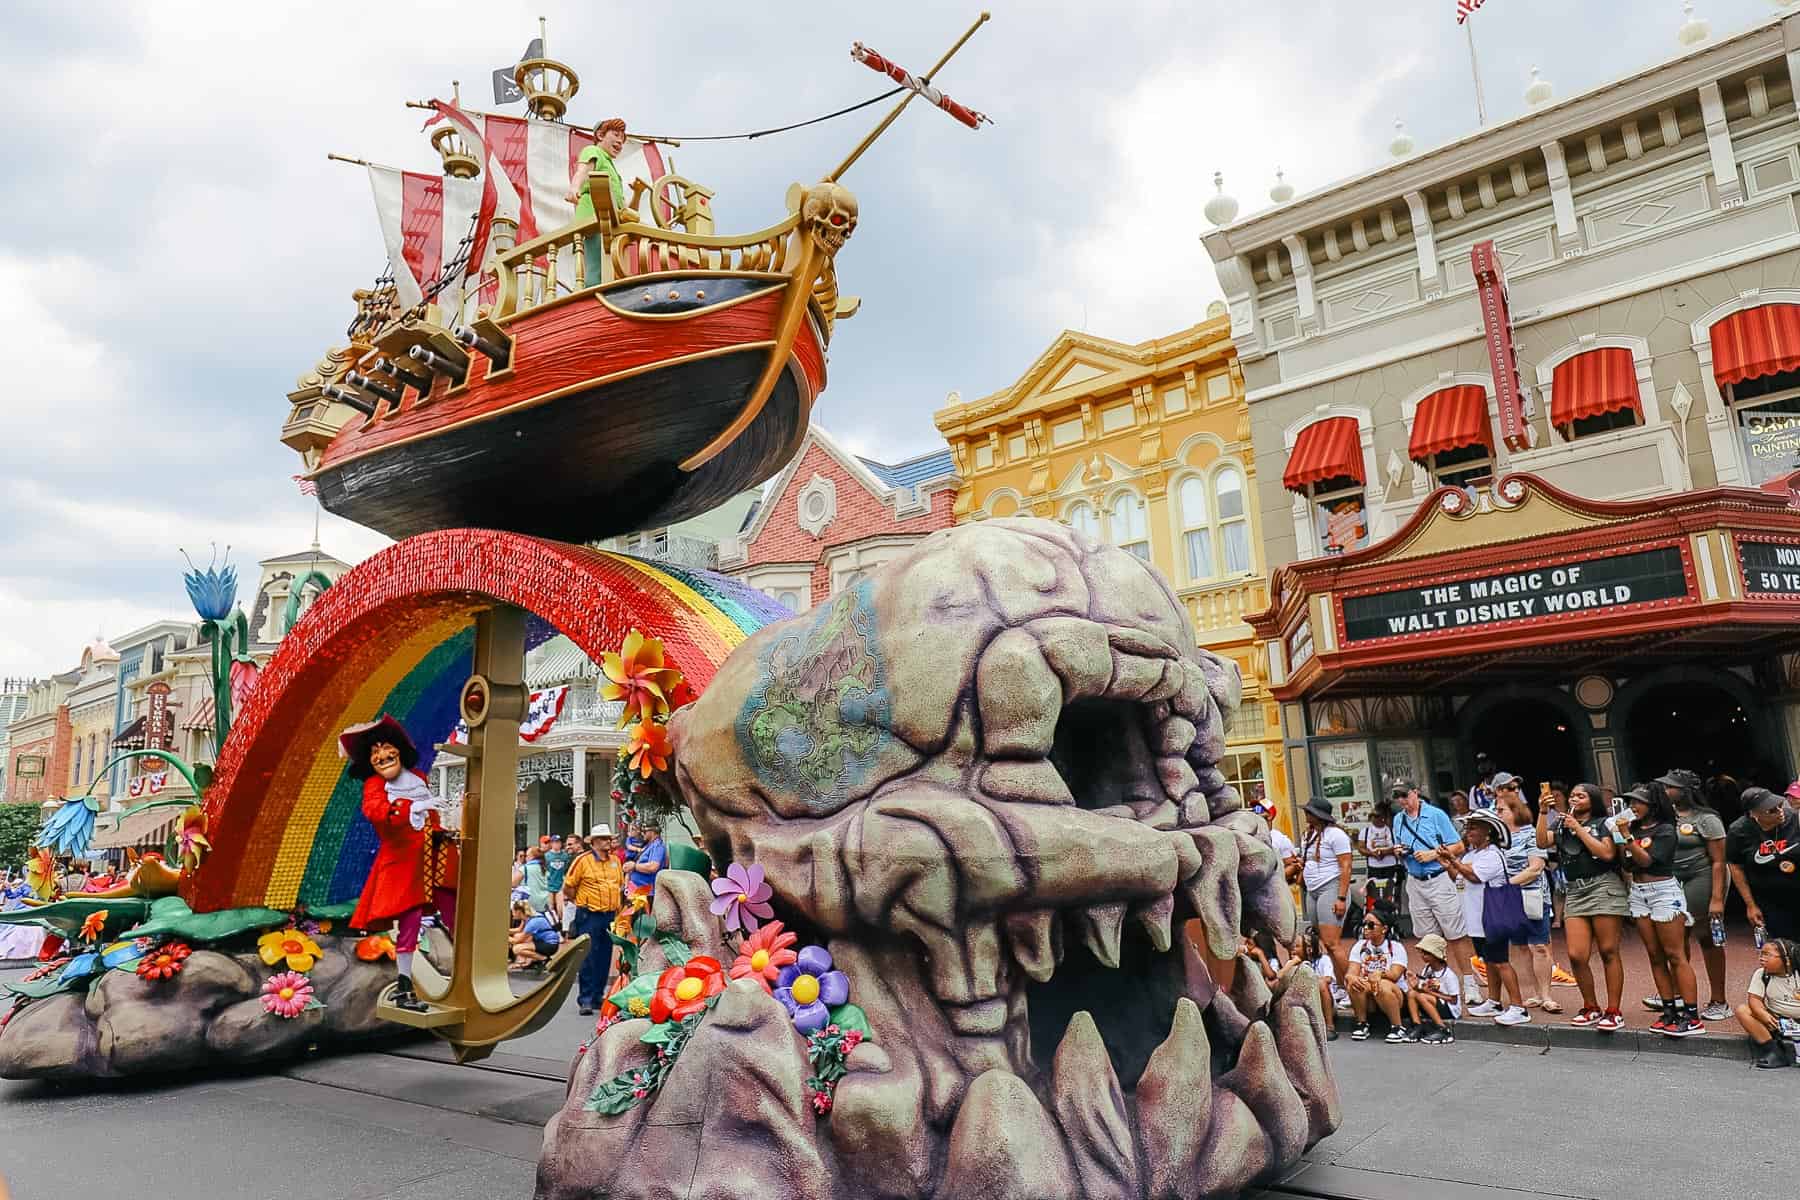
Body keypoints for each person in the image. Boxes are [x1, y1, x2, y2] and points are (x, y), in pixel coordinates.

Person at [341, 714, 458, 1014]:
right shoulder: (374, 786)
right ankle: (405, 987)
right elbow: (375, 811)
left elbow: (430, 817)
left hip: (433, 856)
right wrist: (410, 807)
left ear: (399, 750)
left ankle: (467, 972)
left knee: (456, 905)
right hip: (401, 863)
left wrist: (441, 826)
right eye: (374, 752)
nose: (381, 755)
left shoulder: (418, 778)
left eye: (386, 747)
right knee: (410, 921)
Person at [1539, 782, 1628, 1030]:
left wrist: (1578, 828)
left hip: (1602, 885)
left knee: (1609, 950)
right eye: (1572, 794)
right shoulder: (1560, 823)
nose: (1575, 798)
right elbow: (1541, 842)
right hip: (1575, 890)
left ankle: (1613, 1010)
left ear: (1594, 799)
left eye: (1581, 795)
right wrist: (1543, 813)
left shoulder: (1604, 823)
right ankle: (1590, 1006)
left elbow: (1608, 854)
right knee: (1577, 954)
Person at [1620, 782, 1704, 1037]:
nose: (1632, 806)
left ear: (1653, 804)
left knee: (1675, 954)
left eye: (1638, 802)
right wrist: (1627, 843)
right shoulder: (1634, 828)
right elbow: (1627, 862)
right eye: (1631, 802)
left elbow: (1648, 860)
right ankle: (1669, 1010)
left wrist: (1627, 838)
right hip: (1639, 892)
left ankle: (1691, 1015)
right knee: (1654, 955)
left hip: (1663, 892)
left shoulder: (1666, 829)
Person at [1390, 781, 1483, 1009]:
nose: (1402, 800)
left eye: (1404, 795)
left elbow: (1458, 846)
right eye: (1397, 797)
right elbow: (1399, 845)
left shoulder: (1435, 815)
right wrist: (1399, 851)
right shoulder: (1398, 819)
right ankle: (1435, 983)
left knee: (1456, 933)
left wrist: (1433, 854)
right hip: (1415, 879)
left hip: (1439, 877)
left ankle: (1470, 985)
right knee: (1427, 937)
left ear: (1415, 793)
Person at [1653, 770, 1731, 1022]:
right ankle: (1678, 993)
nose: (1665, 791)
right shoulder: (1664, 817)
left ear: (1685, 791)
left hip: (1702, 875)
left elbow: (1719, 861)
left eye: (1670, 787)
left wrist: (1717, 898)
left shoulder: (1706, 818)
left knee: (1706, 936)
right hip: (1672, 879)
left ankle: (1719, 1000)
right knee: (1675, 937)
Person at [1445, 809, 1529, 1025]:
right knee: (1489, 961)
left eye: (1474, 827)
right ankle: (1494, 1001)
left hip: (1492, 918)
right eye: (1468, 827)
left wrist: (1453, 862)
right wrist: (1449, 865)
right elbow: (1460, 878)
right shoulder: (1472, 855)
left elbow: (1474, 876)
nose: (1468, 831)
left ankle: (1519, 1007)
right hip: (1477, 919)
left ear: (1488, 832)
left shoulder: (1492, 854)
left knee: (1501, 962)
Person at [1497, 787, 1558, 1014]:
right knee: (1521, 947)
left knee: (1539, 945)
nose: (1498, 813)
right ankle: (1535, 993)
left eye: (1502, 809)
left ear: (1515, 811)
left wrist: (1508, 884)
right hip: (1509, 899)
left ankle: (1546, 995)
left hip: (1531, 895)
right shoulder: (1498, 839)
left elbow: (1536, 867)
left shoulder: (1529, 833)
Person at [563, 824, 625, 1015]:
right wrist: (581, 902)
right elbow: (569, 886)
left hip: (608, 915)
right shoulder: (582, 860)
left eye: (609, 839)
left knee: (604, 956)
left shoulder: (615, 861)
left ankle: (598, 996)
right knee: (588, 957)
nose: (609, 842)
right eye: (605, 839)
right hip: (589, 914)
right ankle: (586, 999)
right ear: (595, 842)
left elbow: (620, 885)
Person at [566, 117, 634, 286]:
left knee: (608, 271)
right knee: (596, 270)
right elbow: (583, 171)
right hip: (594, 218)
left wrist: (638, 193)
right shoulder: (593, 151)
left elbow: (625, 211)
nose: (620, 141)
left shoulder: (613, 171)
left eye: (623, 139)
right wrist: (574, 187)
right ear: (600, 135)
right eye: (616, 134)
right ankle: (592, 301)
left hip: (611, 224)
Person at [1727, 786, 1800, 942]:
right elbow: (1735, 866)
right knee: (1784, 947)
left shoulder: (1795, 819)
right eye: (1771, 810)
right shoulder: (1739, 831)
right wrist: (1750, 905)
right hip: (1770, 900)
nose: (1779, 811)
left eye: (1780, 805)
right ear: (1754, 815)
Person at [1299, 797, 1353, 990]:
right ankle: (1340, 985)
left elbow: (1346, 866)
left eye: (1309, 812)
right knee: (1325, 942)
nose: (1306, 814)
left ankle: (1353, 984)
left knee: (1333, 942)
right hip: (1313, 890)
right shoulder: (1309, 834)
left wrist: (1341, 898)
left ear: (1319, 815)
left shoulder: (1336, 835)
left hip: (1331, 887)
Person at [1734, 936, 1800, 1070]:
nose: (1761, 958)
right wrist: (1762, 1013)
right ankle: (1774, 1050)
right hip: (1776, 1021)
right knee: (1743, 1010)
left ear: (1786, 960)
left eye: (1767, 955)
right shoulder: (1762, 974)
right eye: (1761, 954)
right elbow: (1754, 999)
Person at [1345, 910, 1409, 1042]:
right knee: (1355, 984)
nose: (1365, 928)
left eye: (1371, 925)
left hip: (1394, 995)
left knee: (1381, 984)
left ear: (1384, 929)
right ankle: (1361, 1023)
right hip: (1370, 996)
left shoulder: (1396, 947)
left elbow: (1396, 974)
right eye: (1364, 924)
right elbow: (1351, 972)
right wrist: (1352, 978)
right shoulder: (1359, 946)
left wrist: (1380, 973)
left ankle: (1397, 1027)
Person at [1402, 933, 1461, 1045]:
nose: (1423, 956)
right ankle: (1417, 1025)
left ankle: (1443, 1029)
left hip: (1450, 1009)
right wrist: (1415, 985)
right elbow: (1422, 991)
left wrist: (1431, 993)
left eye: (1427, 953)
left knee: (1422, 996)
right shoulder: (1427, 969)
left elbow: (1453, 1000)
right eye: (1422, 952)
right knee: (1411, 993)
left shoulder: (1449, 975)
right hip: (1432, 1003)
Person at [1359, 798, 1403, 927]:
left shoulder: (1391, 830)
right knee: (1374, 894)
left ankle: (1393, 920)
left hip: (1391, 865)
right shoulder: (1366, 831)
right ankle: (1376, 919)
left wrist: (1384, 852)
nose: (1376, 819)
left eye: (1379, 816)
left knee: (1393, 894)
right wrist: (1372, 853)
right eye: (1373, 816)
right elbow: (1361, 848)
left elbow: (1397, 846)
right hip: (1374, 867)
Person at [628, 819, 668, 900]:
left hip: (647, 894)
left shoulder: (658, 846)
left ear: (652, 832)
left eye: (644, 831)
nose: (642, 834)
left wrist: (634, 866)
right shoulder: (649, 845)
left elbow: (653, 867)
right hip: (639, 892)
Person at [543, 834, 571, 925]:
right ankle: (552, 925)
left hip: (560, 884)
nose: (556, 844)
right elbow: (544, 870)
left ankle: (561, 924)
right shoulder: (546, 856)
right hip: (549, 884)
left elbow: (567, 870)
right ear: (551, 843)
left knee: (560, 908)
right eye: (554, 842)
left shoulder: (565, 856)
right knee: (550, 907)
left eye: (558, 842)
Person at [522, 846, 550, 914]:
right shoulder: (544, 868)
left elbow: (513, 883)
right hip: (544, 903)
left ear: (532, 857)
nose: (525, 858)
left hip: (530, 904)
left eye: (526, 855)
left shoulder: (525, 868)